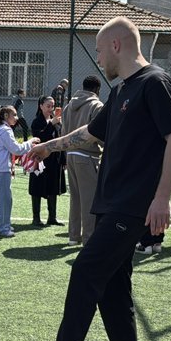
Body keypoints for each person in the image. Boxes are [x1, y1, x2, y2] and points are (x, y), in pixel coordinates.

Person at [16, 17, 171, 341]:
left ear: (115, 45)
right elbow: (91, 134)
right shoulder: (122, 91)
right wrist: (47, 146)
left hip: (131, 206)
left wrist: (162, 198)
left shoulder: (155, 83)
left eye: (97, 49)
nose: (97, 58)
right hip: (111, 205)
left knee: (85, 270)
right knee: (113, 289)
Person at [62, 75, 104, 245]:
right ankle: (88, 239)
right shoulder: (97, 105)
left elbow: (64, 132)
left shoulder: (68, 106)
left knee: (76, 198)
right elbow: (99, 133)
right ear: (97, 90)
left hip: (70, 154)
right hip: (88, 155)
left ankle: (73, 236)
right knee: (89, 201)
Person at [0, 105, 39, 237]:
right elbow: (16, 149)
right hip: (2, 167)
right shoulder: (5, 130)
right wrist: (31, 141)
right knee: (5, 199)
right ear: (6, 116)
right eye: (14, 115)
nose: (16, 118)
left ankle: (1, 225)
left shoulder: (2, 129)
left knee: (3, 199)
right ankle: (2, 227)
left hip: (0, 167)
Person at [29, 95, 66, 226]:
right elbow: (40, 138)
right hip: (40, 160)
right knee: (37, 187)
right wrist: (51, 124)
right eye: (48, 106)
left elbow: (61, 140)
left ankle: (52, 217)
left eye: (52, 106)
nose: (51, 109)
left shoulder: (55, 121)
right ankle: (36, 218)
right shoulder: (37, 122)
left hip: (54, 160)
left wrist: (64, 159)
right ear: (41, 106)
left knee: (53, 187)